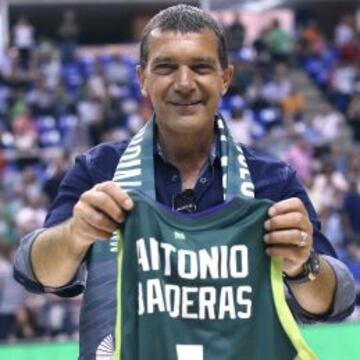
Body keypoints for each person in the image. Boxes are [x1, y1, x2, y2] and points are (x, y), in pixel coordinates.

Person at [14, 4, 355, 358]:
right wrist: (76, 234)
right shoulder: (100, 171)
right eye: (165, 67)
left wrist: (303, 266)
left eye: (201, 67)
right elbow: (36, 271)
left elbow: (338, 299)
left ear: (225, 78)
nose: (184, 83)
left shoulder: (271, 181)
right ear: (142, 79)